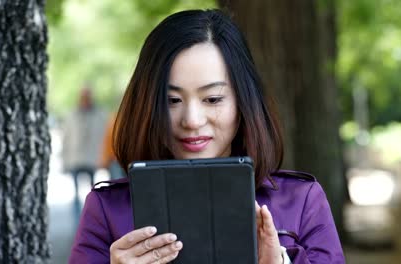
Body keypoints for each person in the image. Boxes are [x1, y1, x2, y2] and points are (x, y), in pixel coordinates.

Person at [69, 9, 345, 264]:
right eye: (172, 100)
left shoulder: (302, 200)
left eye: (212, 99)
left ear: (243, 102)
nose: (192, 120)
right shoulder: (106, 208)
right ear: (147, 105)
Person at [62, 87, 106, 212]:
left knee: (94, 193)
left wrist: (103, 158)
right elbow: (66, 138)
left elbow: (104, 138)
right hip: (75, 159)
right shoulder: (71, 115)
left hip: (92, 159)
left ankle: (93, 217)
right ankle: (78, 222)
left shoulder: (100, 115)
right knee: (76, 194)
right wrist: (65, 162)